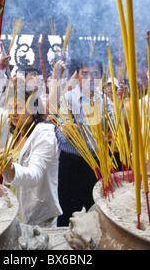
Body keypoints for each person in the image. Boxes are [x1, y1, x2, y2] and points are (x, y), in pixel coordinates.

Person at [55, 58, 114, 226]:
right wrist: (66, 130)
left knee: (97, 210)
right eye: (85, 73)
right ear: (78, 76)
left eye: (95, 74)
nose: (90, 78)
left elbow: (115, 125)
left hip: (96, 164)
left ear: (101, 77)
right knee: (66, 212)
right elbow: (61, 130)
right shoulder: (67, 99)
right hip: (71, 164)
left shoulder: (106, 101)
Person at [0, 89, 62, 227]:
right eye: (10, 107)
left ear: (34, 109)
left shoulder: (44, 134)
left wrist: (10, 168)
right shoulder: (16, 134)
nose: (13, 113)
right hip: (16, 209)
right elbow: (8, 168)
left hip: (38, 216)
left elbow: (34, 175)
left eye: (19, 107)